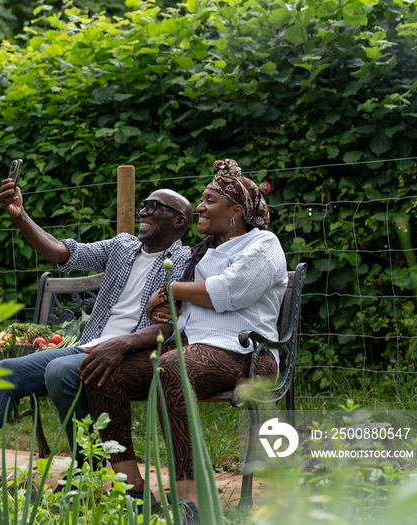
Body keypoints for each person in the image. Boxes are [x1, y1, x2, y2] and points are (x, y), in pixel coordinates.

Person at [0, 171, 194, 493]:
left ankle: (88, 474)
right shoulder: (122, 247)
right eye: (142, 205)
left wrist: (122, 343)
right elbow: (61, 253)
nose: (143, 212)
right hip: (92, 345)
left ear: (179, 221)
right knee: (4, 370)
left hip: (137, 353)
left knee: (61, 370)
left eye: (154, 207)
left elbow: (174, 323)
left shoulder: (185, 260)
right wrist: (20, 215)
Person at [83, 159, 288, 523]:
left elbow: (229, 291)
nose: (201, 207)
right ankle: (129, 486)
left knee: (171, 366)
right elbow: (186, 307)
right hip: (193, 347)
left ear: (236, 211)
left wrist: (168, 290)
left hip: (244, 352)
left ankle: (190, 498)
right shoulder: (204, 251)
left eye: (210, 201)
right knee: (102, 369)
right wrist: (170, 309)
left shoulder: (263, 244)